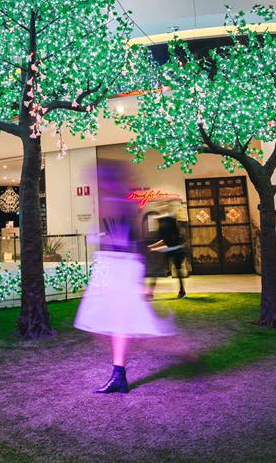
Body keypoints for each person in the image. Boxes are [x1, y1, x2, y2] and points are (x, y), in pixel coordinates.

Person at [75, 162, 176, 394]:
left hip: (119, 266)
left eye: (99, 180)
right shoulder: (112, 203)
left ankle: (176, 351)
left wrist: (139, 279)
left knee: (116, 323)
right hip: (111, 265)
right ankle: (119, 374)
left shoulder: (117, 203)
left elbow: (127, 240)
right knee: (107, 323)